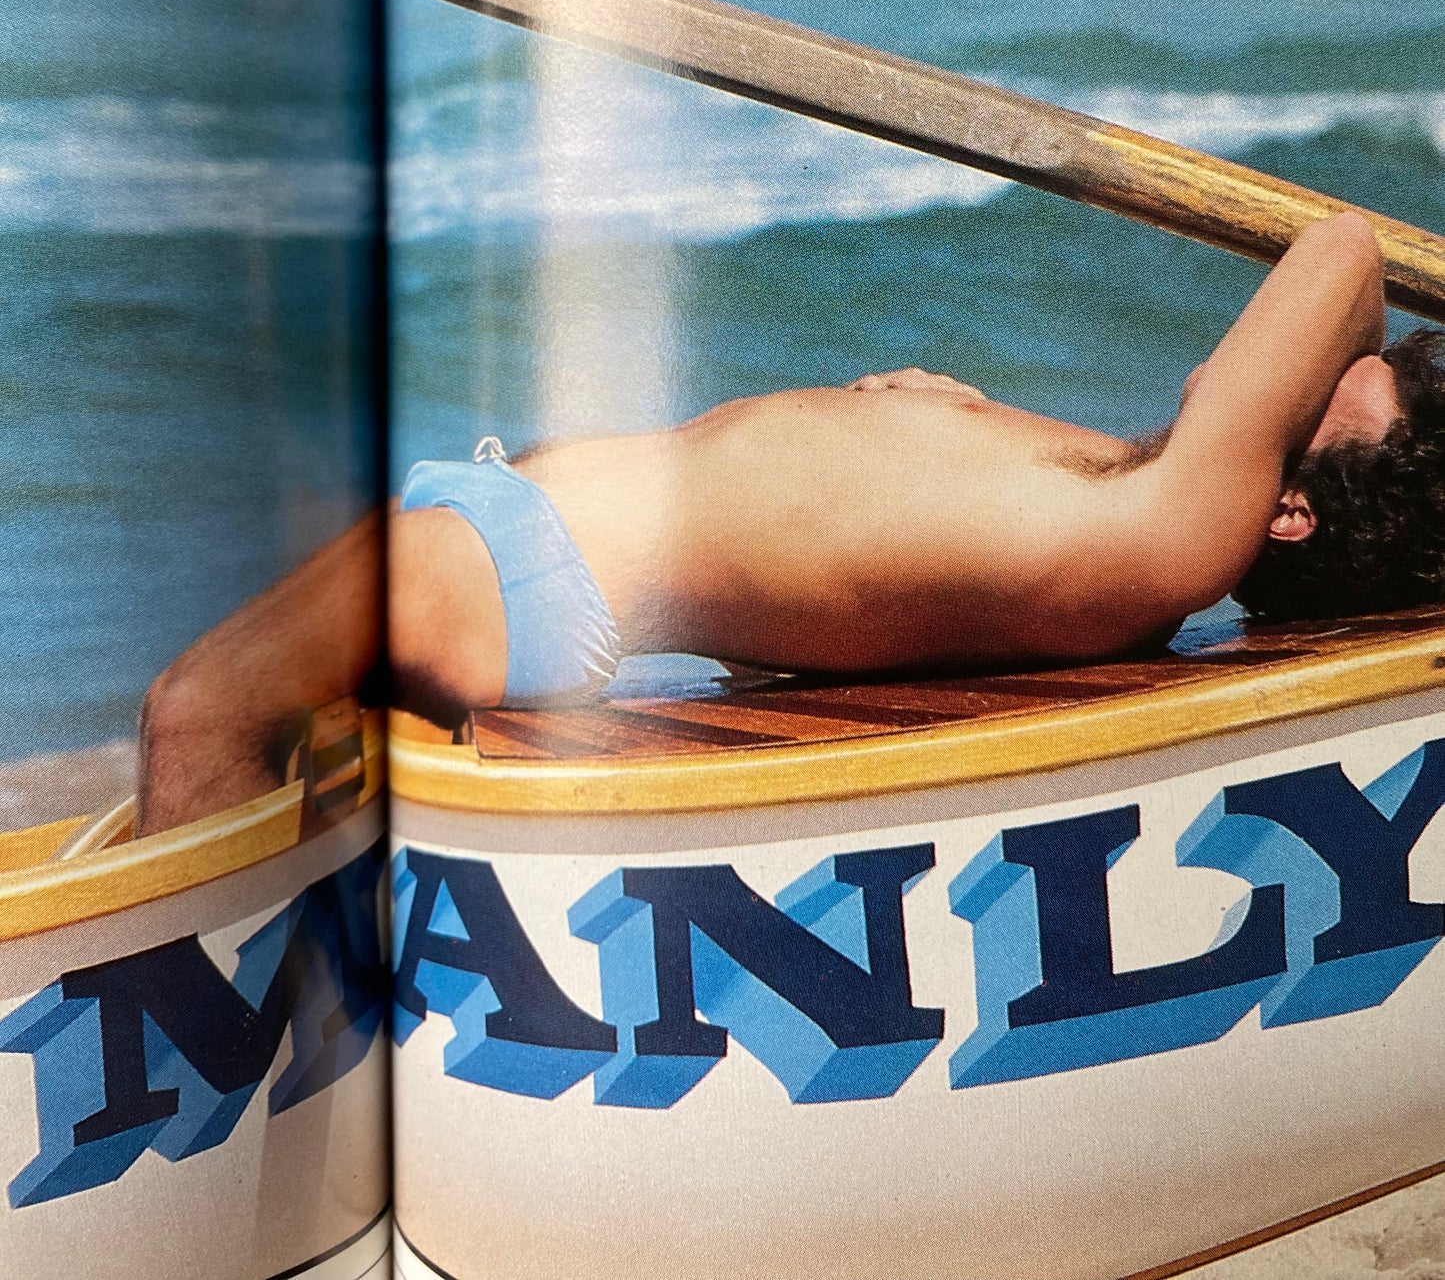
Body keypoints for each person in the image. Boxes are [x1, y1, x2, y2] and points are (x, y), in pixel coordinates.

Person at [137, 212, 1445, 835]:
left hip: (531, 565)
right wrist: (919, 425)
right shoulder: (1136, 512)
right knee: (293, 821)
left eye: (1345, 389)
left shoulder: (1180, 534)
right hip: (528, 553)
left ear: (1284, 507)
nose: (1329, 361)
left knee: (199, 718)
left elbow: (1341, 256)